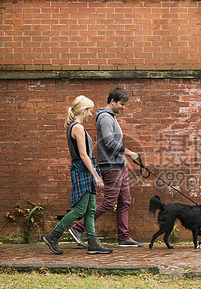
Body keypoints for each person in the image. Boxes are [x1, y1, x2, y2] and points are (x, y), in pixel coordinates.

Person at [69, 88, 144, 247]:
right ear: (112, 101)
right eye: (122, 104)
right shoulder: (105, 118)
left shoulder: (112, 117)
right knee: (109, 202)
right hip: (111, 167)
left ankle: (124, 237)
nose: (123, 107)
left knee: (125, 200)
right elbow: (109, 143)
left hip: (119, 165)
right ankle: (77, 228)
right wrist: (129, 152)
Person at [43, 95, 112, 255]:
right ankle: (53, 235)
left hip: (84, 169)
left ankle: (93, 243)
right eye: (90, 111)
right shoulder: (78, 128)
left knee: (90, 209)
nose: (91, 115)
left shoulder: (75, 127)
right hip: (83, 170)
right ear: (83, 110)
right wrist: (95, 175)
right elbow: (83, 155)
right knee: (81, 209)